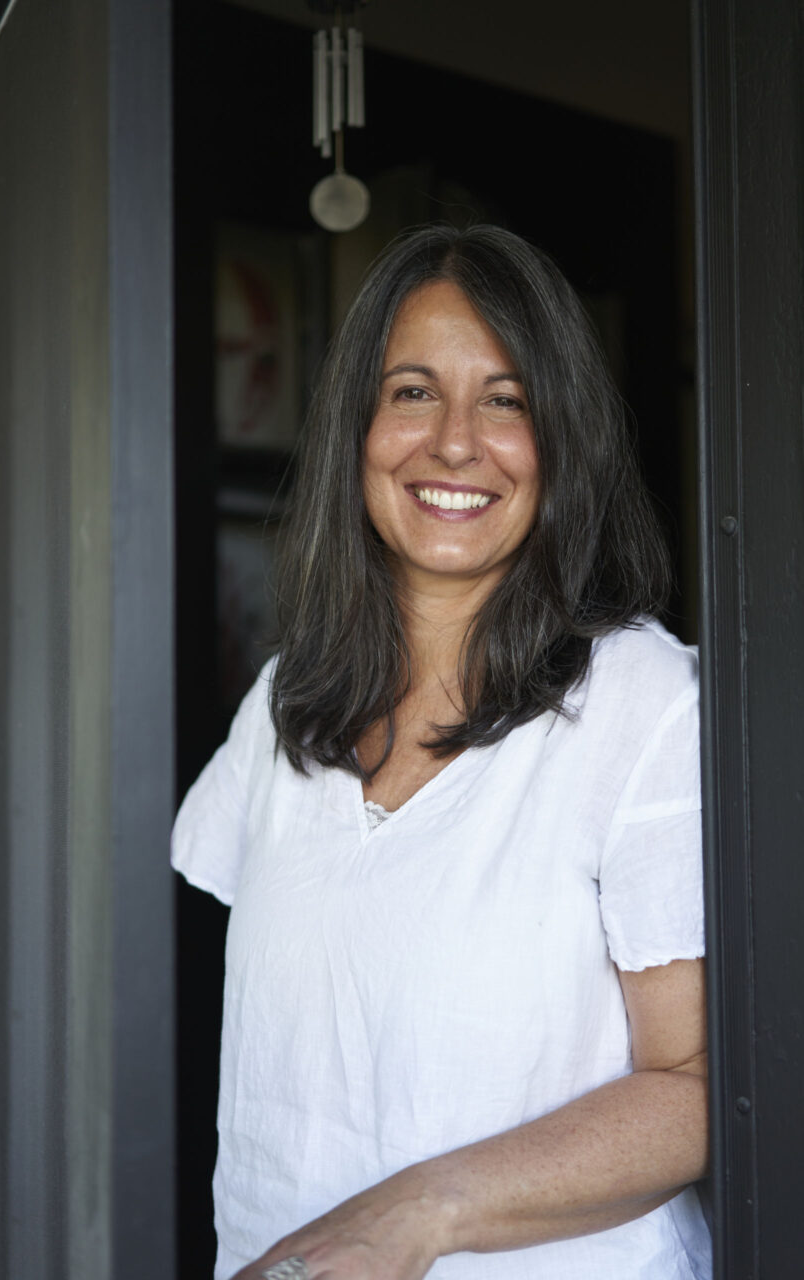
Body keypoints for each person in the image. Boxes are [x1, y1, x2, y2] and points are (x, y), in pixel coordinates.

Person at [172, 224, 710, 1280]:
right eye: (413, 391)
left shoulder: (640, 701)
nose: (454, 441)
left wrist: (416, 1212)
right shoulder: (284, 702)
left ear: (561, 439)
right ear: (357, 426)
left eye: (504, 399)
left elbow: (693, 1084)